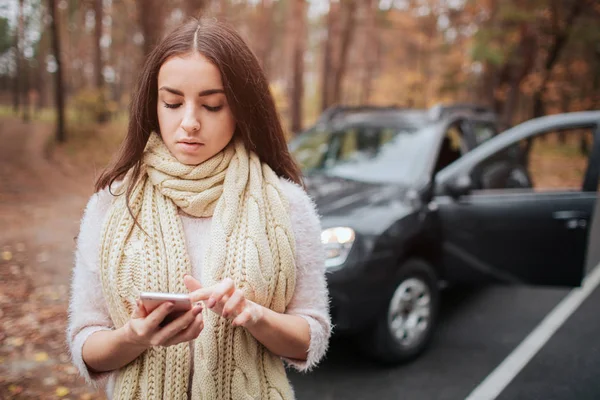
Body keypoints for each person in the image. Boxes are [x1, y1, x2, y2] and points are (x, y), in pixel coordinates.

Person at [67, 18, 331, 400]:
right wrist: (134, 337)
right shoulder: (111, 204)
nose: (189, 122)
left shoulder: (287, 205)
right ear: (152, 104)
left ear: (240, 109)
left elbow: (311, 339)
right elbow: (85, 344)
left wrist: (254, 315)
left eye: (212, 105)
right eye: (172, 103)